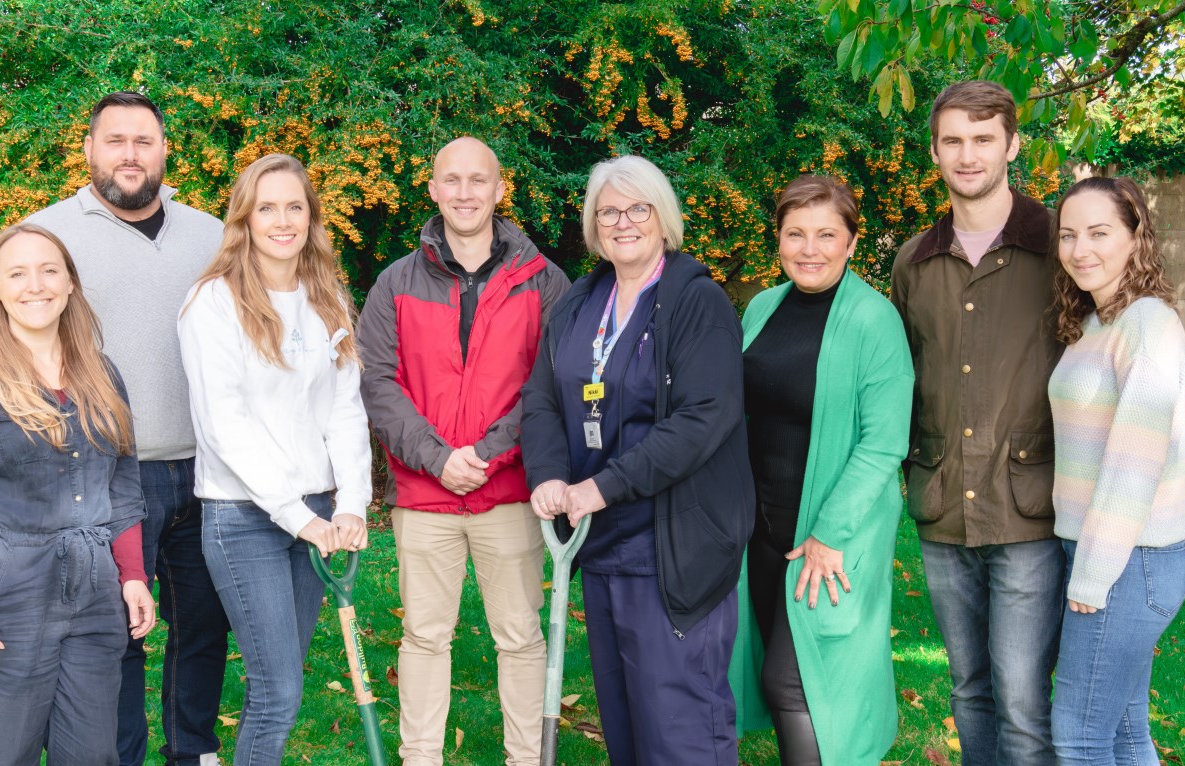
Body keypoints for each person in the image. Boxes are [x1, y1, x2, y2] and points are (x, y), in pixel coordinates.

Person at [521, 155, 754, 765]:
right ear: (594, 226)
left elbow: (706, 417)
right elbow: (542, 397)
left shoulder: (697, 301)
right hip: (600, 547)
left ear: (663, 218)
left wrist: (603, 485)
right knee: (625, 729)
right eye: (608, 212)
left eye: (637, 209)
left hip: (672, 547)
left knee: (679, 730)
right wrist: (548, 475)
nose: (623, 222)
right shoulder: (579, 302)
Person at [28, 90, 230, 766]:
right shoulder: (48, 237)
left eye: (144, 141)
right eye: (115, 140)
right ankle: (118, 756)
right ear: (88, 149)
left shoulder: (213, 235)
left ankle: (192, 753)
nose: (130, 154)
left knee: (202, 628)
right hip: (105, 472)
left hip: (209, 470)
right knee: (115, 632)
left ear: (165, 150)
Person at [357, 136, 568, 766]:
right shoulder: (396, 281)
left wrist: (486, 454)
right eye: (452, 180)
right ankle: (421, 757)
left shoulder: (543, 280)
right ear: (432, 189)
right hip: (424, 494)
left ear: (500, 189)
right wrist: (437, 456)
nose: (465, 192)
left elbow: (548, 380)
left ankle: (525, 758)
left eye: (478, 180)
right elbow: (377, 380)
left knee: (520, 637)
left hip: (508, 490)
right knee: (424, 637)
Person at [0, 223, 157, 765]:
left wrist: (134, 574)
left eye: (49, 270)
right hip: (2, 597)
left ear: (70, 283)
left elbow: (122, 485)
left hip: (95, 594)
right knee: (8, 754)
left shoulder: (102, 374)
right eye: (17, 273)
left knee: (94, 755)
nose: (35, 285)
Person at [889, 80, 1066, 765]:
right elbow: (903, 379)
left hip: (1030, 508)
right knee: (968, 689)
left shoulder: (1058, 245)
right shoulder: (914, 260)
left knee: (1022, 696)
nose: (969, 155)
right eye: (954, 140)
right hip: (943, 507)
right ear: (934, 150)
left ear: (1012, 145)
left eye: (984, 139)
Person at [178, 153, 372, 765]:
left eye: (295, 206)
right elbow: (224, 425)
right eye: (267, 208)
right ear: (244, 219)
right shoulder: (213, 302)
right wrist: (300, 518)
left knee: (283, 685)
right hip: (245, 519)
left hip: (314, 513)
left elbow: (345, 407)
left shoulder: (327, 298)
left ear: (312, 217)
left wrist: (352, 504)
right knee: (278, 688)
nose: (282, 220)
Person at [730, 176, 914, 765]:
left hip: (832, 532)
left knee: (797, 681)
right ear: (778, 239)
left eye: (826, 235)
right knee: (777, 678)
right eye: (796, 234)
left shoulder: (873, 320)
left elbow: (883, 445)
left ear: (853, 242)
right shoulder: (763, 306)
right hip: (763, 528)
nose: (809, 249)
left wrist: (828, 533)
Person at [1048, 176, 1185, 765]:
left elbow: (1133, 465)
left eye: (1100, 232)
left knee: (1078, 738)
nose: (1081, 248)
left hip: (1126, 562)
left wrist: (1092, 576)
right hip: (1104, 556)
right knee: (1126, 734)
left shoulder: (1148, 324)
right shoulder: (1096, 322)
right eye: (1068, 235)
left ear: (1136, 237)